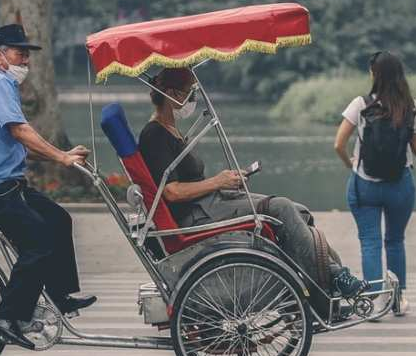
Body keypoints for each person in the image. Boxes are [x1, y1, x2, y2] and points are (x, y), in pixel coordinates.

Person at [136, 67, 363, 305]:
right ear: (172, 94)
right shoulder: (154, 135)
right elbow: (171, 192)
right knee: (282, 208)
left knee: (299, 211)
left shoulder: (172, 131)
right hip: (195, 215)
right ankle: (334, 279)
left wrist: (225, 182)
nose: (192, 99)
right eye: (188, 92)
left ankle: (324, 286)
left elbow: (189, 181)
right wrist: (217, 181)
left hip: (209, 202)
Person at [0, 23, 91, 349]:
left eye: (27, 54)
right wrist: (61, 158)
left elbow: (20, 145)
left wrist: (62, 155)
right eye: (20, 53)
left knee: (58, 220)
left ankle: (59, 296)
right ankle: (6, 316)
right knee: (39, 241)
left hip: (4, 183)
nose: (26, 60)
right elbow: (20, 131)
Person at [333, 50, 416, 316]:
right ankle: (398, 299)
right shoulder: (412, 107)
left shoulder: (361, 104)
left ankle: (375, 301)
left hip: (364, 184)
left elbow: (338, 144)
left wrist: (351, 164)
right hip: (400, 184)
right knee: (395, 240)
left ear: (374, 74)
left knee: (370, 241)